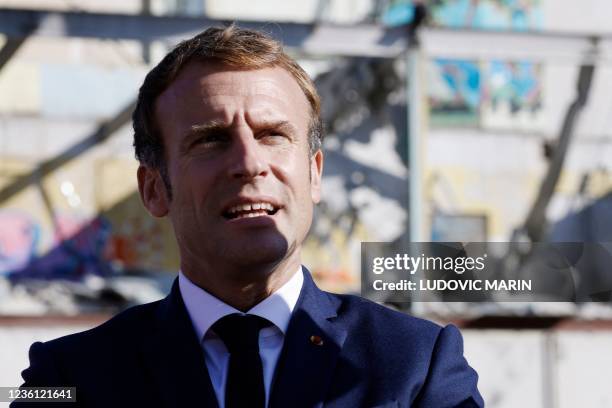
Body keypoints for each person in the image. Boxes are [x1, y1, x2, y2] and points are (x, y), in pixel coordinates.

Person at [13, 25, 484, 408]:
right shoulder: (67, 377)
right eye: (211, 139)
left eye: (273, 135)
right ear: (154, 189)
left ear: (314, 174)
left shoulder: (418, 364)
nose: (249, 162)